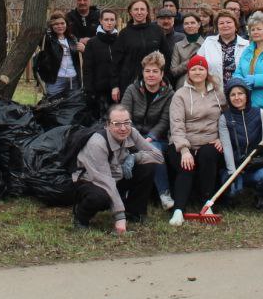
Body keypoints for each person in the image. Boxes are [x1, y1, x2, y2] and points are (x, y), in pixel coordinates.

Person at [72, 104, 163, 233]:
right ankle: (81, 218)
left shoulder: (131, 132)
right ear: (108, 125)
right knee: (100, 197)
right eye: (117, 124)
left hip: (116, 175)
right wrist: (120, 217)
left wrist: (134, 158)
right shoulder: (97, 143)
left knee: (147, 167)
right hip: (92, 180)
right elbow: (105, 181)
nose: (123, 128)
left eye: (127, 123)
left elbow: (158, 156)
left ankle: (134, 212)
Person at [165, 55, 225, 226]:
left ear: (207, 72)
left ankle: (208, 204)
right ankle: (178, 210)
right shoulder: (180, 95)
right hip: (184, 142)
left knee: (208, 156)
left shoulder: (218, 93)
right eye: (193, 69)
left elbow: (225, 119)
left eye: (201, 69)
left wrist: (221, 139)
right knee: (186, 166)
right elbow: (176, 124)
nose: (197, 72)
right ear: (188, 73)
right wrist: (184, 150)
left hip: (210, 141)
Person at [120, 52, 175, 209]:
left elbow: (165, 121)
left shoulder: (169, 94)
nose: (151, 75)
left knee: (154, 150)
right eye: (147, 71)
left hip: (157, 138)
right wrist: (134, 137)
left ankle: (164, 194)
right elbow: (124, 115)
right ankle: (124, 193)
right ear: (142, 72)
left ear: (162, 74)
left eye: (155, 71)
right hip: (131, 134)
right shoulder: (132, 89)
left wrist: (150, 138)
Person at [218, 78, 263, 209]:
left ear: (247, 95)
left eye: (240, 93)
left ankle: (260, 194)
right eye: (233, 94)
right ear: (228, 97)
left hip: (254, 166)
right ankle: (232, 193)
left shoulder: (260, 113)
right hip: (234, 167)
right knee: (233, 190)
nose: (237, 97)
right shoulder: (224, 118)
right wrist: (233, 173)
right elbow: (226, 146)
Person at [112, 0, 171, 102]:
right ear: (130, 12)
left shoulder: (157, 30)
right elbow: (116, 62)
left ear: (147, 11)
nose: (139, 12)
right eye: (136, 9)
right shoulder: (124, 34)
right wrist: (115, 86)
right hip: (129, 82)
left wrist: (164, 77)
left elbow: (166, 56)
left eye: (142, 9)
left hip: (154, 81)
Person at [33, 10, 83, 97]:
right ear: (51, 26)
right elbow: (38, 32)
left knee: (73, 106)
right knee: (53, 105)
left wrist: (83, 49)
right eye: (56, 24)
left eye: (62, 23)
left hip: (73, 79)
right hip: (55, 80)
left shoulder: (72, 39)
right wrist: (47, 24)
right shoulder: (47, 39)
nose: (60, 26)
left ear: (66, 24)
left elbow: (80, 59)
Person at [198, 10, 250, 88]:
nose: (225, 25)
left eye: (228, 22)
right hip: (213, 91)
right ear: (217, 27)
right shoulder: (208, 42)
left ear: (235, 26)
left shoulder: (247, 45)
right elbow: (198, 64)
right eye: (221, 23)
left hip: (239, 92)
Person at [82, 8, 120, 111]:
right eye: (106, 19)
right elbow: (87, 68)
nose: (109, 23)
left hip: (117, 89)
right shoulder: (92, 43)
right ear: (101, 21)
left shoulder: (120, 41)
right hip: (98, 90)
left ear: (116, 21)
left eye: (112, 20)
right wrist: (89, 89)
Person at [169, 13, 202, 85]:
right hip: (183, 84)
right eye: (186, 23)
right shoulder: (178, 46)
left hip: (203, 84)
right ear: (183, 26)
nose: (189, 26)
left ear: (199, 24)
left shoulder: (206, 44)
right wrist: (190, 61)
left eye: (193, 23)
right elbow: (174, 71)